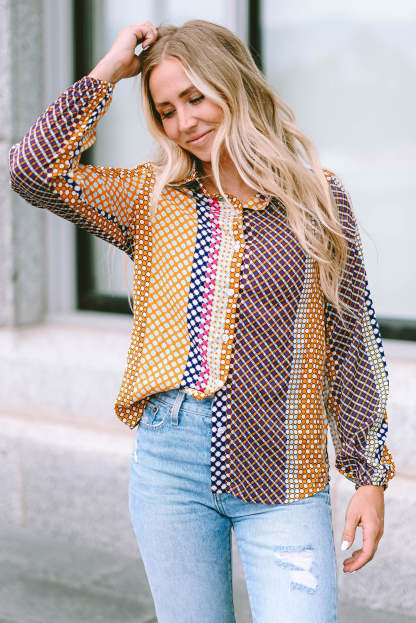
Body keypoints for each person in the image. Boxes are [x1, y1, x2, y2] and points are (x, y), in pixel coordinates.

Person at [9, 18, 395, 623]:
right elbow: (33, 170)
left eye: (195, 97)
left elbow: (353, 342)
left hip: (286, 467)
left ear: (233, 84)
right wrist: (109, 72)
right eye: (166, 111)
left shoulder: (318, 197)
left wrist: (369, 477)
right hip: (170, 467)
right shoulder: (151, 197)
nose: (184, 122)